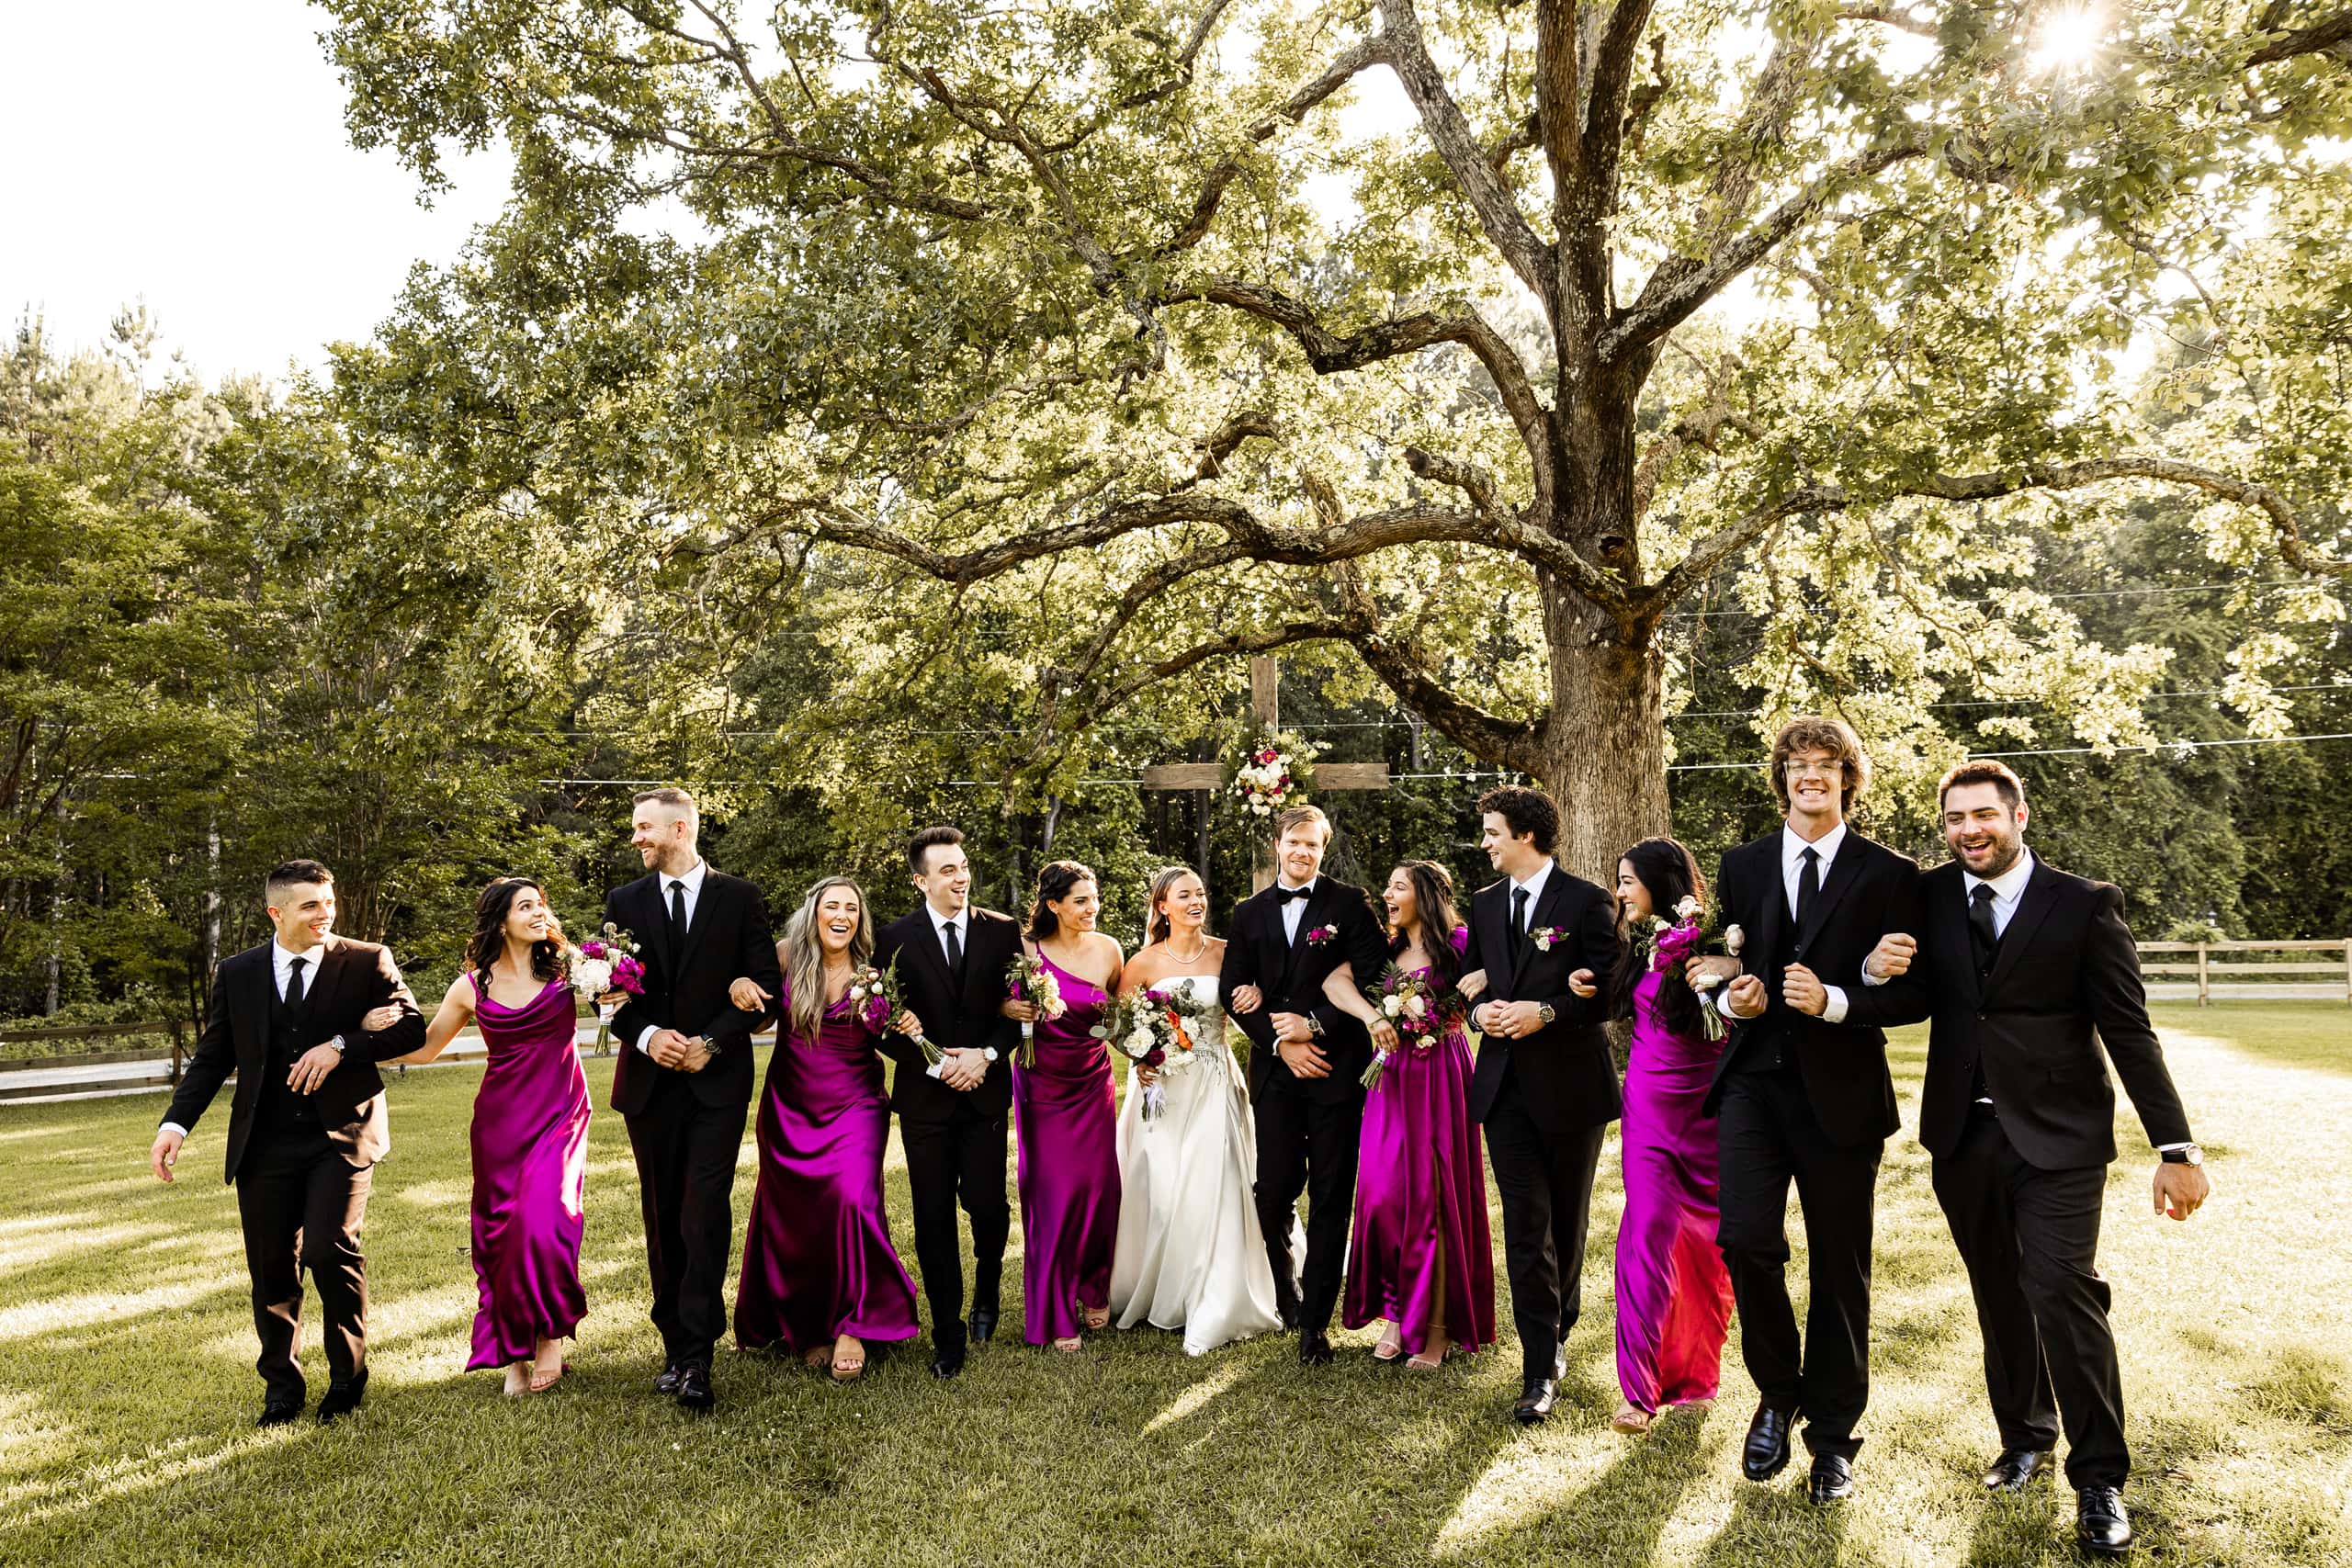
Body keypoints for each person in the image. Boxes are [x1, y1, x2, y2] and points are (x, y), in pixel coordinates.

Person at [1861, 760, 2209, 1558]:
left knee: (2060, 1289)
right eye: (1954, 818)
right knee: (1998, 1294)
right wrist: (1869, 974)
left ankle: (2099, 1480)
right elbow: (1914, 997)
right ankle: (2024, 1439)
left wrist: (2176, 1146)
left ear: (2020, 815)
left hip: (2060, 1141)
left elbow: (2129, 1029)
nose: (1967, 830)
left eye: (1982, 814)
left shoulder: (2085, 905)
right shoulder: (1932, 894)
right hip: (1961, 1138)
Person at [1695, 717, 1918, 1504]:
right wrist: (1734, 995)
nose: (1810, 776)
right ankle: (1777, 1389)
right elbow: (1725, 965)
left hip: (1844, 1091)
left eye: (1827, 764)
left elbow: (1914, 991)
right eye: (1797, 764)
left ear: (1849, 778)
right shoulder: (1745, 864)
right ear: (1782, 776)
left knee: (1839, 1264)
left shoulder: (1891, 871)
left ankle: (1832, 1438)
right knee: (1746, 1239)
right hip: (1754, 1081)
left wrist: (1837, 999)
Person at [148, 859, 424, 1425]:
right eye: (311, 906)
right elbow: (213, 1057)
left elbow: (411, 1026)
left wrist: (342, 1045)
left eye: (329, 903)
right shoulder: (240, 971)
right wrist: (174, 1125)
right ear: (276, 912)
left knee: (328, 1249)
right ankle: (282, 1387)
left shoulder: (368, 959)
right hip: (264, 1141)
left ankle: (347, 1378)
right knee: (272, 1268)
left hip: (341, 1136)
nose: (326, 914)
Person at [603, 786, 782, 1413]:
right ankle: (674, 1345)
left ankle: (699, 1354)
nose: (636, 839)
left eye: (644, 827)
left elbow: (768, 992)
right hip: (650, 1085)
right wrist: (649, 1037)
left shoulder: (740, 898)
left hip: (715, 1086)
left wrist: (710, 1039)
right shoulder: (623, 902)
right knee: (660, 1213)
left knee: (703, 1209)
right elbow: (609, 994)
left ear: (681, 828)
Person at [380, 876, 593, 1396]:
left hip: (561, 1115)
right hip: (500, 1124)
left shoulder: (571, 972)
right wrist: (363, 1040)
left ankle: (549, 1340)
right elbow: (425, 1049)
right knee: (502, 1234)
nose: (539, 913)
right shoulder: (471, 986)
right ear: (501, 921)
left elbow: (625, 1003)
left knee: (546, 1222)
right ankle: (512, 1351)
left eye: (541, 905)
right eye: (526, 907)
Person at [1460, 786, 1623, 1424]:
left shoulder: (1587, 901)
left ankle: (1559, 1329)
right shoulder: (1483, 903)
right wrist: (1484, 1012)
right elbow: (1469, 984)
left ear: (1526, 833)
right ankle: (1537, 1367)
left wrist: (1547, 1010)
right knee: (1526, 1228)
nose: (1487, 842)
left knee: (1567, 1224)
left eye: (1494, 830)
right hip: (1504, 1092)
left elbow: (1610, 994)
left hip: (1572, 1088)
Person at [726, 876, 921, 1381]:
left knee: (852, 1201)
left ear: (860, 918)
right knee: (797, 1214)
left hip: (856, 1102)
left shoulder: (875, 972)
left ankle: (854, 1322)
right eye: (831, 905)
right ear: (813, 912)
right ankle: (810, 1324)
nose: (842, 915)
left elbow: (891, 1036)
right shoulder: (786, 956)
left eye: (851, 908)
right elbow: (759, 1017)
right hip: (790, 1104)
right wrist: (739, 984)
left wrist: (908, 1023)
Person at [1221, 804, 1392, 1365]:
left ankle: (1315, 1321)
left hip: (1336, 1073)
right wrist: (1280, 1042)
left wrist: (1315, 1024)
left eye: (1313, 845)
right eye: (1294, 842)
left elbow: (1374, 977)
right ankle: (1284, 1285)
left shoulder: (1348, 904)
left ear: (1324, 847)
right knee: (1273, 1187)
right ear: (1278, 843)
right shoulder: (1248, 913)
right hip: (1275, 1074)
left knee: (1332, 1191)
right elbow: (1233, 991)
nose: (1302, 853)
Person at [1317, 861, 1495, 1368]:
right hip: (1391, 1076)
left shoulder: (1460, 941)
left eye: (1398, 886)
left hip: (1441, 1070)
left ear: (1425, 894)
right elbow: (1335, 983)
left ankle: (1436, 1329)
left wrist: (1451, 1007)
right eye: (1389, 884)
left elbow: (1489, 981)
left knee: (1434, 1196)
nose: (1388, 893)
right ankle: (1397, 1310)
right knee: (1382, 1193)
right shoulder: (1386, 947)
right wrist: (1374, 1015)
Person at [1106, 866, 1286, 1354]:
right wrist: (1141, 1058)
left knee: (1215, 1183)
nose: (1197, 901)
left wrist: (1256, 996)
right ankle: (1161, 1284)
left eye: (1201, 894)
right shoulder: (1141, 963)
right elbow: (1121, 1028)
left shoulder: (1228, 953)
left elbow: (1252, 1002)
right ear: (1162, 906)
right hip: (1163, 1088)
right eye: (1184, 895)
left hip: (1213, 1080)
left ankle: (1214, 1294)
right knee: (1163, 1187)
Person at [873, 825, 1022, 1379]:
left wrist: (983, 1055)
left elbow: (1018, 1015)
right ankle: (947, 1333)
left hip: (985, 1096)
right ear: (920, 881)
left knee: (987, 1206)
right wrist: (935, 1060)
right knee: (933, 1216)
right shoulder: (892, 940)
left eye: (963, 867)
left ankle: (987, 1289)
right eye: (947, 870)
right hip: (924, 1103)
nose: (961, 878)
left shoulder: (1003, 933)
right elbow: (879, 1024)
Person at [1604, 839, 1734, 1434]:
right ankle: (1638, 1387)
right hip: (1650, 1113)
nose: (1622, 891)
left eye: (1629, 880)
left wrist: (1723, 971)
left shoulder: (1712, 940)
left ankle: (1696, 1379)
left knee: (1707, 1244)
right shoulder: (1634, 945)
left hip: (1709, 1110)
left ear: (1660, 881)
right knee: (1651, 1228)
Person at [1007, 861, 1123, 1350]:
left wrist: (1146, 1045)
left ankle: (1094, 1285)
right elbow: (1001, 1003)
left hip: (1093, 1080)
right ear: (1053, 905)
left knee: (1101, 1189)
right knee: (1054, 1195)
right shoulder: (1027, 950)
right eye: (1080, 901)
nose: (1091, 908)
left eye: (1094, 898)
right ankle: (1054, 1309)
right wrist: (1007, 1009)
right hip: (1044, 1083)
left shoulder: (1111, 951)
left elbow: (1121, 1017)